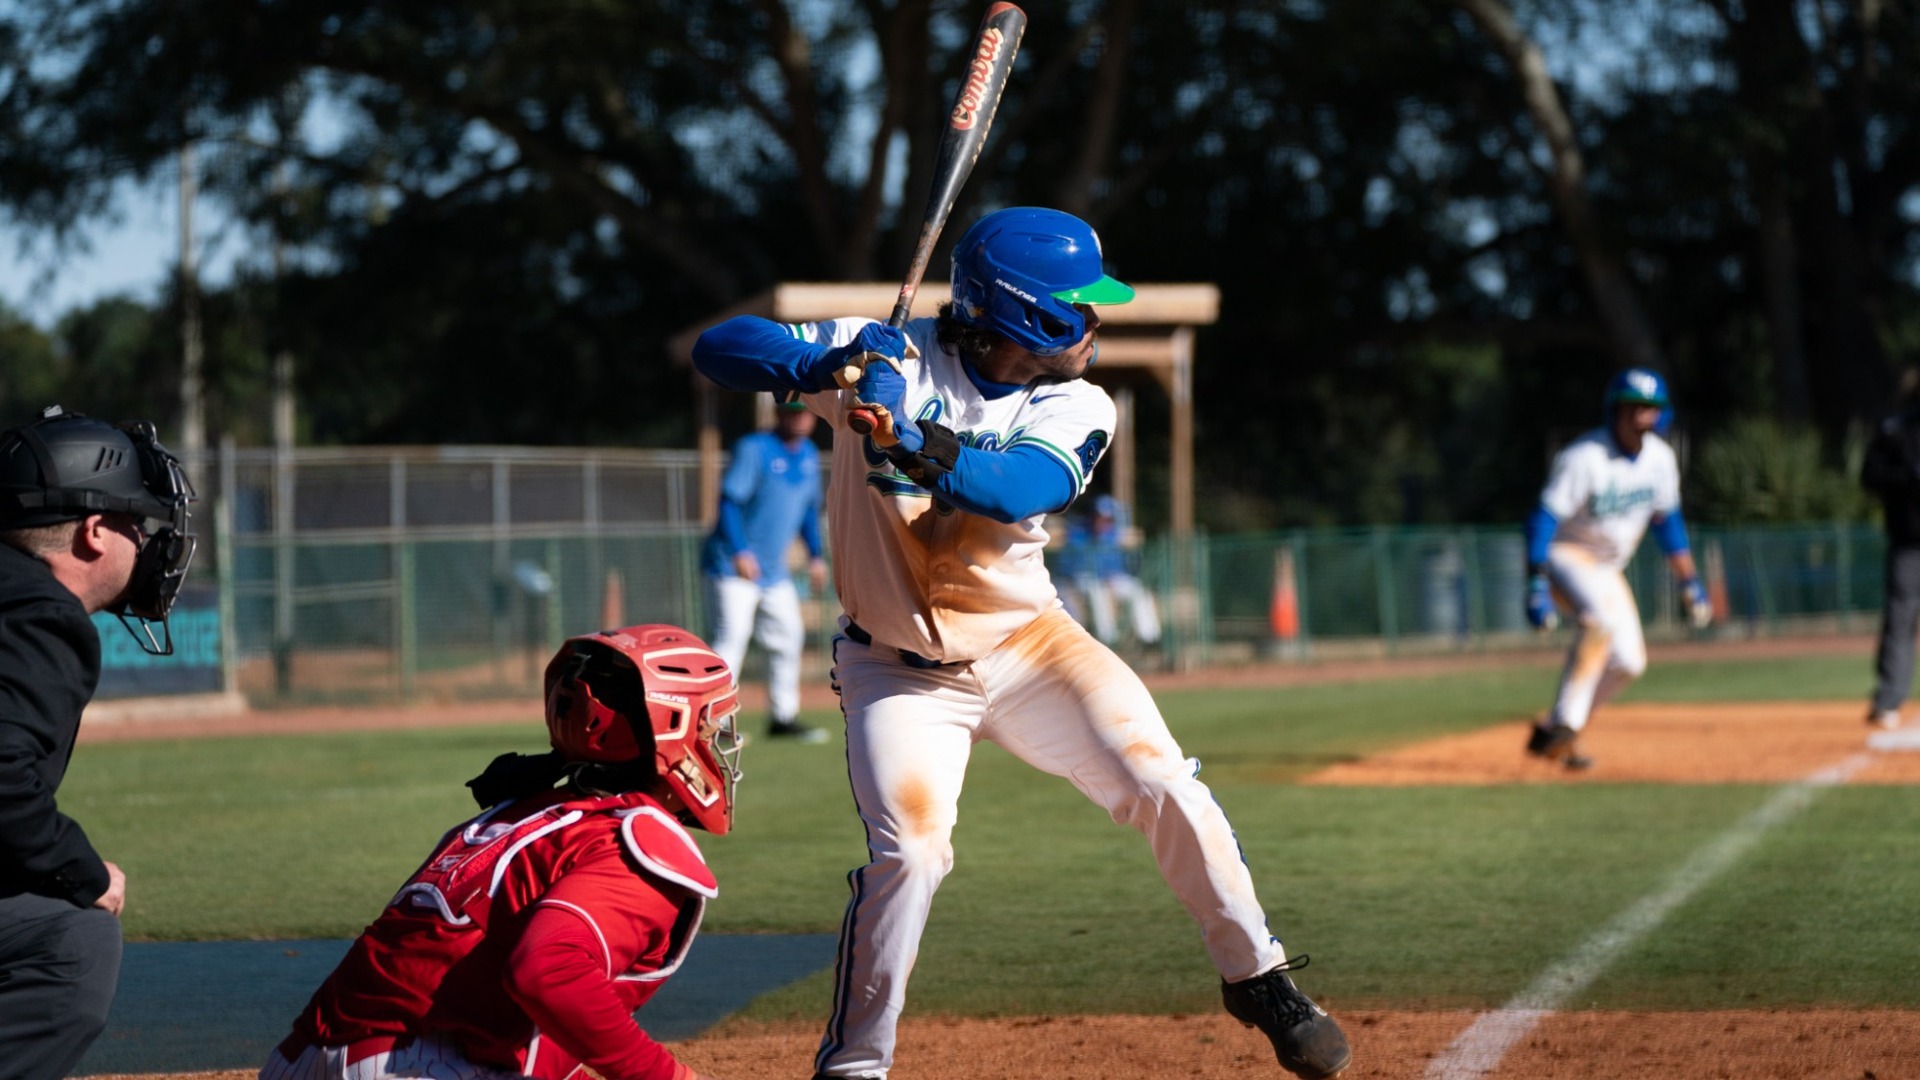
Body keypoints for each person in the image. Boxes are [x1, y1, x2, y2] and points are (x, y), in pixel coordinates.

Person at [692, 206, 1351, 1080]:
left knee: (1161, 778)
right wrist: (830, 364)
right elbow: (721, 348)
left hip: (1028, 644)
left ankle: (1257, 975)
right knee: (912, 855)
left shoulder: (1079, 401)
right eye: (1079, 306)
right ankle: (854, 1067)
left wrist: (909, 435)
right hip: (897, 670)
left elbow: (1014, 486)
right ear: (1023, 316)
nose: (1096, 322)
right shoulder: (884, 347)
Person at [260, 623, 744, 1080]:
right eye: (709, 727)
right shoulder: (639, 838)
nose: (718, 743)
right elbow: (550, 973)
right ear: (670, 728)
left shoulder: (516, 813)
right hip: (418, 1065)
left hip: (296, 1059)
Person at [0, 405, 197, 1080]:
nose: (145, 543)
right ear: (93, 532)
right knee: (74, 938)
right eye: (135, 525)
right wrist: (82, 871)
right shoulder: (41, 614)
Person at [1522, 368, 1712, 770]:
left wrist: (1690, 580)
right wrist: (1536, 581)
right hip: (1565, 555)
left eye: (1650, 409)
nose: (1643, 417)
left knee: (1629, 662)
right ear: (1616, 412)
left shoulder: (1660, 460)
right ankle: (1566, 723)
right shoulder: (1583, 458)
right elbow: (1543, 519)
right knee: (1599, 624)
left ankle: (1556, 732)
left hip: (1607, 568)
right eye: (1634, 408)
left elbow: (1667, 523)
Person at [701, 398, 831, 743]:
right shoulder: (754, 448)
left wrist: (816, 555)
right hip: (732, 566)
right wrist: (740, 550)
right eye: (791, 412)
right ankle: (715, 722)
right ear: (778, 415)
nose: (798, 419)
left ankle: (782, 717)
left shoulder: (807, 456)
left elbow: (807, 512)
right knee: (731, 641)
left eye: (804, 413)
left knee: (789, 638)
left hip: (774, 572)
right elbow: (728, 500)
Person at [1861, 369, 1920, 730]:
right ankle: (1888, 699)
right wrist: (1907, 477)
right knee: (1900, 621)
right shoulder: (1895, 430)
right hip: (1909, 542)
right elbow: (1870, 476)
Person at [1058, 494, 1161, 649]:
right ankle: (1108, 638)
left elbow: (1124, 564)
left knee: (1137, 590)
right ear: (1092, 516)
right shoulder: (1078, 533)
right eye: (1099, 517)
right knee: (1098, 592)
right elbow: (1070, 565)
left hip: (1111, 578)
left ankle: (1149, 638)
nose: (1103, 522)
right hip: (1085, 579)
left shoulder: (1114, 535)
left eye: (1107, 519)